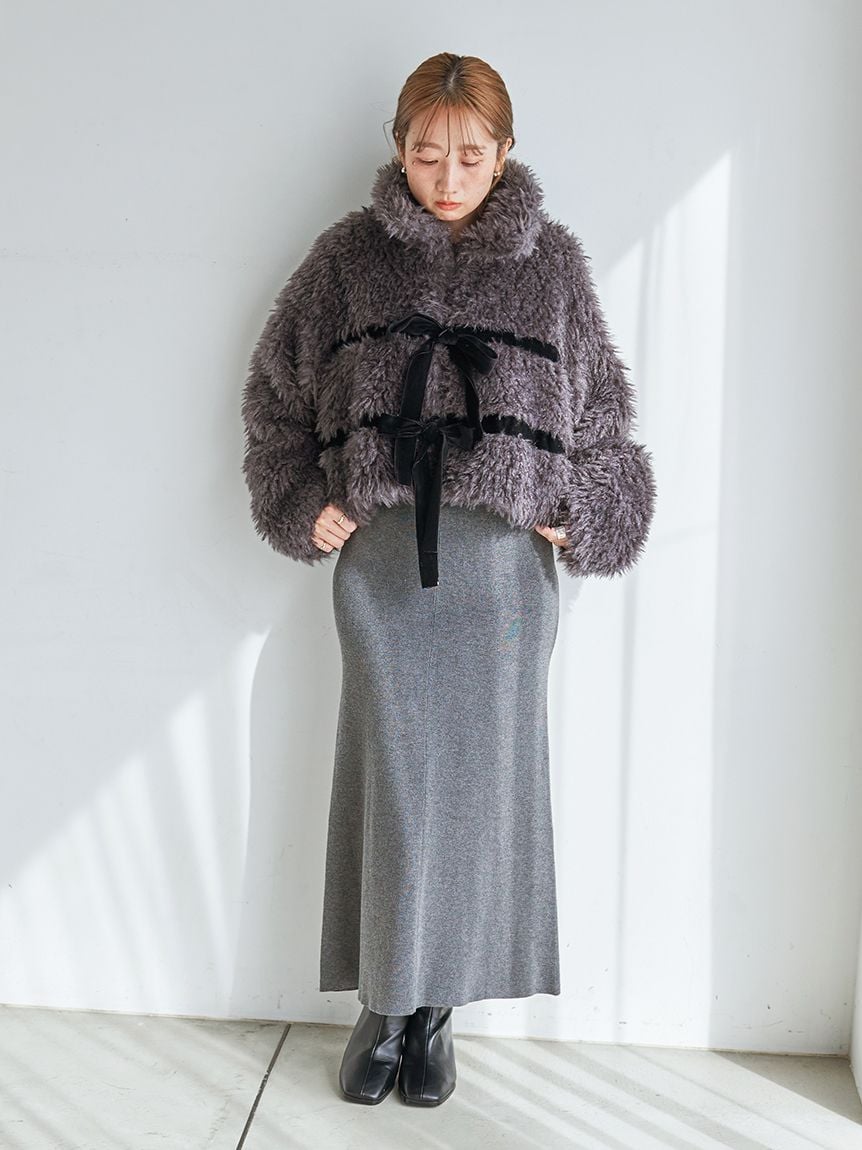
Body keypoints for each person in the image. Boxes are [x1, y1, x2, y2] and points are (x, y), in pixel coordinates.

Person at [241, 52, 657, 1108]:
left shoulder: (551, 266)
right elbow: (274, 393)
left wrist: (587, 507)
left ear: (504, 153)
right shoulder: (346, 259)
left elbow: (606, 416)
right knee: (392, 782)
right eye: (428, 153)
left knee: (483, 789)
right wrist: (300, 497)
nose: (448, 174)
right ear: (399, 147)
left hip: (503, 574)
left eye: (470, 154)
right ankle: (383, 1001)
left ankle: (436, 1014)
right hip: (385, 563)